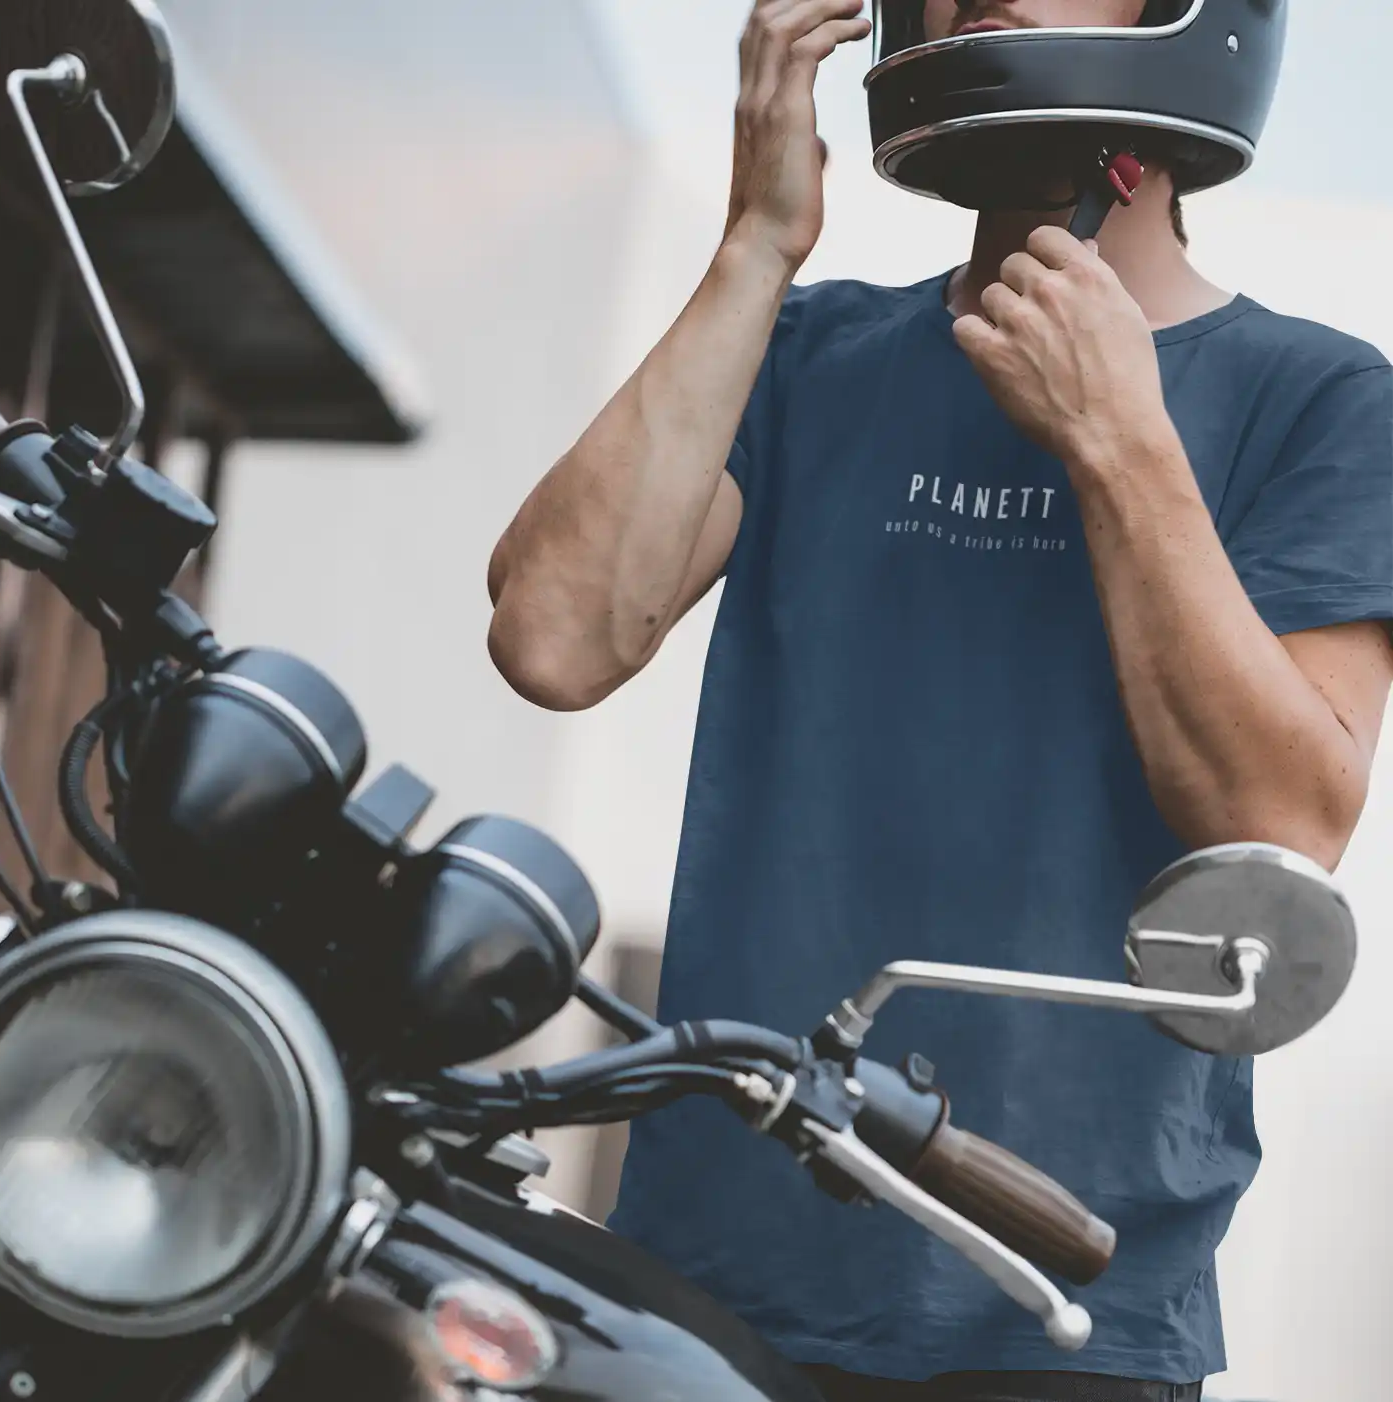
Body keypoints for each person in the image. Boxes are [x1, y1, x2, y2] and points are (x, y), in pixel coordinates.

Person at [487, 1, 1393, 1398]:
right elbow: (552, 636)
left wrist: (1119, 441)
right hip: (700, 1278)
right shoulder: (804, 351)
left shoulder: (1320, 398)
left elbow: (1282, 823)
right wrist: (754, 246)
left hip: (1067, 1303)